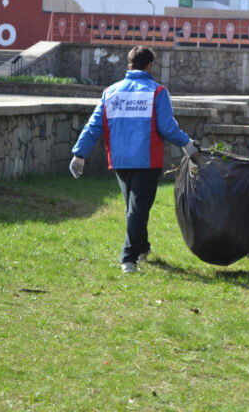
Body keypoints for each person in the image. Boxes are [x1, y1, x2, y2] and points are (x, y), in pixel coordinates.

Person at [69, 46, 197, 274]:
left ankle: (143, 247)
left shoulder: (111, 92)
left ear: (129, 65)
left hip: (119, 160)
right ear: (149, 66)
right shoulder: (157, 92)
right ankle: (129, 258)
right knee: (137, 208)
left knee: (134, 207)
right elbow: (167, 127)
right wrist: (187, 144)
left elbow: (94, 125)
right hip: (146, 160)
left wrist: (80, 154)